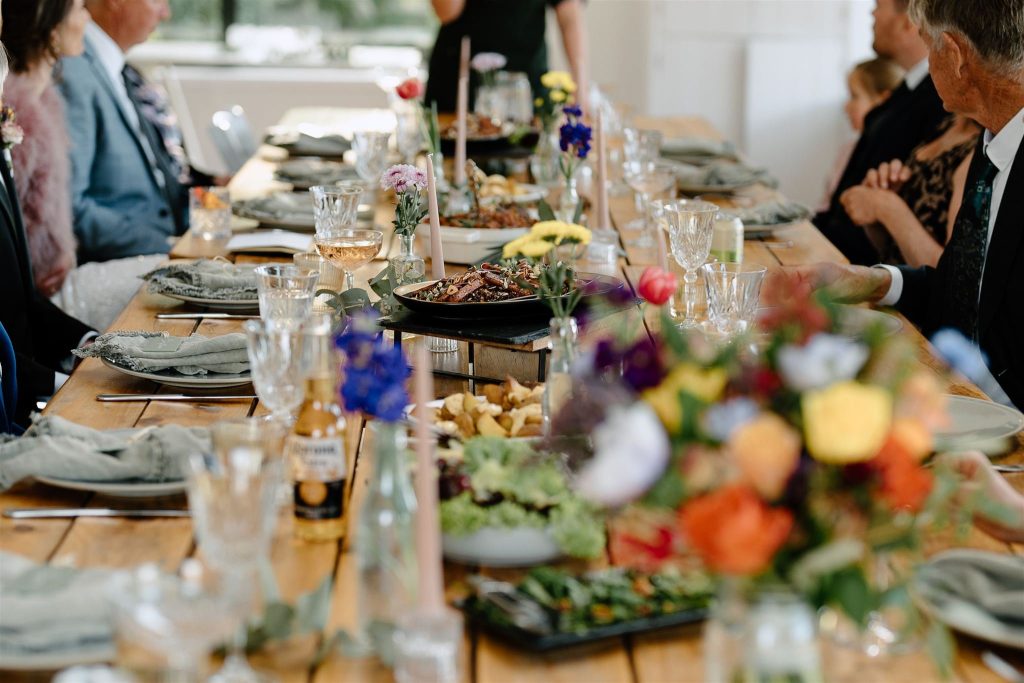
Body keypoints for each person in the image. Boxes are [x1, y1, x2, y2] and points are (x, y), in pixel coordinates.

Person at [776, 0, 1024, 408]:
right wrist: (872, 280)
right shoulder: (993, 143)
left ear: (955, 55)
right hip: (957, 393)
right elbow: (961, 293)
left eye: (929, 48)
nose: (927, 64)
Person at [1, 0, 165, 331]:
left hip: (58, 277)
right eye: (80, 9)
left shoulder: (46, 101)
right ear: (50, 27)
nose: (88, 20)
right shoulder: (20, 115)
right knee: (172, 279)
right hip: (50, 289)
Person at [0, 43, 95, 426]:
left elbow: (24, 302)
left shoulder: (4, 143)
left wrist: (93, 345)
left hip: (27, 392)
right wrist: (64, 386)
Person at [813, 0, 947, 266]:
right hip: (839, 250)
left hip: (866, 267)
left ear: (909, 22)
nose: (872, 13)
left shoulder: (939, 101)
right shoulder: (911, 88)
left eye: (878, 6)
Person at [59, 0, 187, 263]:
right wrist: (166, 246)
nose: (166, 13)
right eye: (158, 0)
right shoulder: (73, 69)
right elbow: (70, 208)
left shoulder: (114, 65)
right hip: (124, 257)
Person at [839, 114, 981, 267]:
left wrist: (886, 206)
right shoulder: (947, 124)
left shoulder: (979, 155)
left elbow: (951, 276)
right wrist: (877, 203)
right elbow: (892, 250)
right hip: (885, 278)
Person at [425, 0, 588, 113]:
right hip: (459, 83)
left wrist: (580, 86)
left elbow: (569, 18)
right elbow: (446, 12)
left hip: (526, 85)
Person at [817, 58, 905, 213]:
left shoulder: (885, 159)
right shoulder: (848, 148)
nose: (846, 106)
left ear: (883, 101)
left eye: (854, 96)